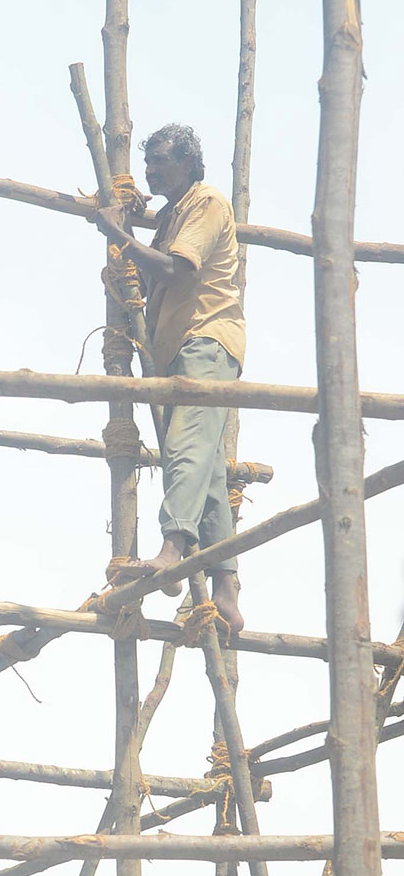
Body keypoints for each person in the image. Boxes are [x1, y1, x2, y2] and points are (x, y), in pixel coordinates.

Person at [93, 123, 247, 633]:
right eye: (149, 161)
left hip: (206, 340)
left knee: (185, 448)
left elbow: (179, 271)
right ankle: (226, 588)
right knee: (208, 473)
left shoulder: (206, 202)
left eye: (160, 161)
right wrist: (133, 214)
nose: (151, 170)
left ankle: (172, 548)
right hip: (185, 346)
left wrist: (119, 234)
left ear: (187, 163)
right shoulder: (177, 211)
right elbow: (161, 229)